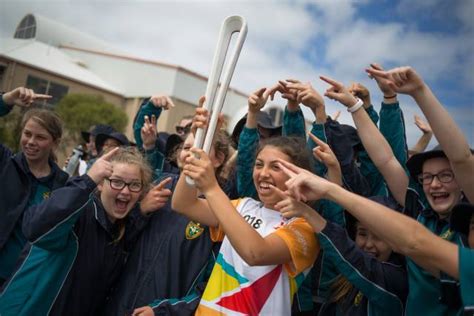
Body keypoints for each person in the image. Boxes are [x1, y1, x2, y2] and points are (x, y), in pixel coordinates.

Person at [320, 66, 473, 315]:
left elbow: (462, 158)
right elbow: (386, 161)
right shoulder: (421, 213)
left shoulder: (468, 227)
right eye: (427, 177)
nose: (435, 184)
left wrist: (420, 91)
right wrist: (355, 106)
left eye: (446, 175)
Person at [277, 161, 473, 313]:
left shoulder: (397, 280)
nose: (368, 244)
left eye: (379, 236)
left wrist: (312, 211)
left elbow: (350, 254)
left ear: (396, 241)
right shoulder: (342, 281)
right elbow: (338, 233)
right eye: (362, 234)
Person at [0, 147, 170, 315]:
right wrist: (87, 180)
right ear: (101, 183)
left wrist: (140, 212)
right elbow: (34, 227)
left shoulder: (119, 229)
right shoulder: (78, 214)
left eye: (134, 185)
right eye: (116, 182)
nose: (125, 191)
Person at [105, 103, 236, 316]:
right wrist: (142, 211)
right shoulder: (159, 184)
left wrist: (164, 311)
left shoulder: (222, 209)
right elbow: (118, 240)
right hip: (122, 303)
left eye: (200, 149)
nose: (191, 154)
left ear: (219, 159)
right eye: (187, 148)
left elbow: (211, 285)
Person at [172, 135, 319, 315]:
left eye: (276, 167)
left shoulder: (305, 227)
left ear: (297, 175)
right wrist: (194, 158)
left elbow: (255, 253)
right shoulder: (242, 207)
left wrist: (211, 188)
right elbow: (183, 204)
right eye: (259, 165)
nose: (263, 173)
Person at [0, 87, 68, 286]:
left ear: (55, 143)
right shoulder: (5, 163)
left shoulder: (62, 185)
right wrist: (7, 100)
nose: (31, 141)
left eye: (40, 137)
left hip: (25, 282)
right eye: (27, 134)